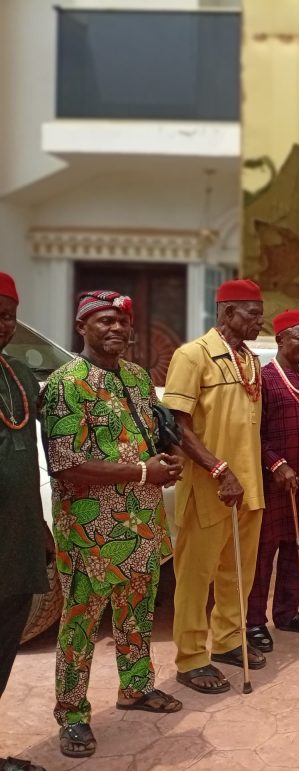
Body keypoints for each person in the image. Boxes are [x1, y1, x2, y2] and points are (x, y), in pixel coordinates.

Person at [43, 290, 183, 758]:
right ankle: (72, 714)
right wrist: (145, 472)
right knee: (81, 622)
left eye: (122, 321)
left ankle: (136, 687)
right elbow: (66, 465)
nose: (116, 328)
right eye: (104, 320)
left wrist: (165, 459)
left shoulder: (138, 377)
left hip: (141, 521)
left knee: (137, 608)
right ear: (81, 327)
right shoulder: (66, 384)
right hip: (91, 529)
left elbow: (150, 435)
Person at [164, 279, 267, 695]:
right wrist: (219, 469)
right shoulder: (192, 355)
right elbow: (177, 426)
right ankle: (190, 658)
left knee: (237, 573)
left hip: (250, 487)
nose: (259, 321)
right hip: (211, 486)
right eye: (252, 314)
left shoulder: (251, 360)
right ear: (227, 313)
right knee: (196, 576)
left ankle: (227, 640)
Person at [245, 311, 299, 652]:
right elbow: (254, 433)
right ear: (280, 339)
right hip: (273, 482)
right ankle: (254, 621)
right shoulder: (264, 379)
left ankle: (287, 612)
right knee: (265, 552)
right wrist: (276, 464)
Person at [0, 273, 51, 771]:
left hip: (16, 537)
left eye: (8, 316)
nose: (3, 324)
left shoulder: (18, 372)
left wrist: (39, 524)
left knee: (3, 650)